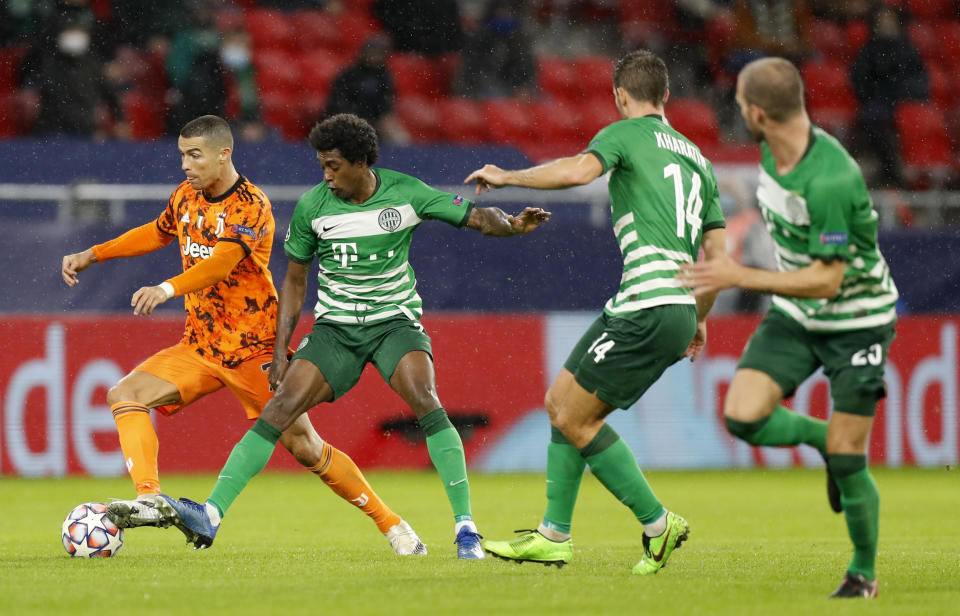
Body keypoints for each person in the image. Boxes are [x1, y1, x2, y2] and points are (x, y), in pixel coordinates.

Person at [154, 113, 551, 559]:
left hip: (393, 324)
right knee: (279, 408)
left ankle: (466, 530)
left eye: (334, 166)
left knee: (425, 398)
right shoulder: (313, 207)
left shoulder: (406, 193)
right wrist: (281, 354)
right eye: (322, 165)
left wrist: (513, 225)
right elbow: (295, 282)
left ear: (362, 162)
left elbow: (478, 217)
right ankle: (211, 514)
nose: (327, 176)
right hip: (336, 330)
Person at [60, 115, 425, 556]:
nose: (185, 166)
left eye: (195, 155)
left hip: (254, 350)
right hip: (200, 346)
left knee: (307, 448)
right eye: (182, 155)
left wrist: (166, 287)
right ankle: (149, 497)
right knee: (125, 395)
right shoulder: (185, 196)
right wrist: (92, 254)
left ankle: (394, 525)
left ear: (223, 154)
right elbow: (157, 232)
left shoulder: (251, 204)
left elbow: (223, 263)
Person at [465, 49, 727, 574]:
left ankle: (658, 524)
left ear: (620, 97)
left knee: (577, 418)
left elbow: (576, 172)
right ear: (668, 96)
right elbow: (719, 257)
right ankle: (553, 534)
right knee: (560, 401)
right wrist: (698, 316)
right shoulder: (699, 160)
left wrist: (508, 175)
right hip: (669, 304)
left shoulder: (623, 134)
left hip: (648, 301)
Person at [677, 57, 898, 599]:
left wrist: (736, 276)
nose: (736, 114)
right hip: (800, 317)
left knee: (852, 458)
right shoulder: (770, 154)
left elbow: (827, 281)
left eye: (738, 107)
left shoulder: (831, 178)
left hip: (857, 320)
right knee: (743, 416)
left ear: (757, 112)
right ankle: (824, 440)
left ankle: (863, 574)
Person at [850, 3, 928, 188]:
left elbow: (920, 78)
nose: (887, 24)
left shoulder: (908, 48)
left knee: (921, 120)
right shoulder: (869, 49)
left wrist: (907, 97)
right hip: (880, 101)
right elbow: (861, 79)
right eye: (883, 20)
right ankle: (891, 170)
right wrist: (876, 94)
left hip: (906, 100)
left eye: (890, 20)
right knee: (872, 118)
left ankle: (916, 173)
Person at [325, 36, 408, 145]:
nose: (375, 56)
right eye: (372, 52)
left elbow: (386, 104)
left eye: (379, 53)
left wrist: (385, 119)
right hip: (350, 120)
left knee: (400, 138)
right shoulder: (349, 74)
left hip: (375, 122)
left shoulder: (384, 76)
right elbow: (338, 104)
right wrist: (361, 120)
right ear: (363, 53)